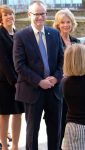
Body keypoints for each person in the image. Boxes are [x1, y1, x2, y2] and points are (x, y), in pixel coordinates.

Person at [13, 1, 64, 150]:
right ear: (30, 15)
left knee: (55, 130)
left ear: (46, 14)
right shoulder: (21, 36)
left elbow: (62, 59)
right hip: (32, 91)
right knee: (32, 131)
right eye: (36, 14)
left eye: (43, 14)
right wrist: (39, 81)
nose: (40, 17)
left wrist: (56, 77)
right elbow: (19, 65)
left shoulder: (54, 33)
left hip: (54, 91)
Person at [53, 8, 80, 146]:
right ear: (58, 24)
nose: (65, 25)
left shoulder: (76, 42)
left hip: (75, 88)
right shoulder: (53, 40)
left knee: (74, 126)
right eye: (62, 22)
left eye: (68, 22)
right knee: (59, 126)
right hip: (59, 88)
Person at [0, 5, 24, 150]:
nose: (9, 16)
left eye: (11, 14)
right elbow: (3, 61)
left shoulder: (18, 34)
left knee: (18, 114)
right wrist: (14, 81)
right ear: (1, 19)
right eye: (6, 14)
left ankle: (15, 145)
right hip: (4, 82)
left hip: (20, 81)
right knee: (4, 115)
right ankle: (4, 146)